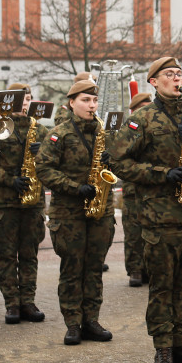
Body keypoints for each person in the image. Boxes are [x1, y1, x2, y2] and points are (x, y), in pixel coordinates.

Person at [107, 56, 182, 363]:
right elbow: (117, 161)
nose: (176, 79)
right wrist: (160, 173)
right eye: (169, 74)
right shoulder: (142, 119)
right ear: (154, 82)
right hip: (160, 215)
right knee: (162, 284)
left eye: (178, 74)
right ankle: (163, 347)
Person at [36, 79, 116, 345]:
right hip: (69, 212)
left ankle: (91, 320)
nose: (92, 105)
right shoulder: (59, 134)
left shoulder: (104, 133)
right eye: (85, 100)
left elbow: (123, 165)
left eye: (94, 101)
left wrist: (113, 162)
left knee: (94, 268)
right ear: (71, 103)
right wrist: (75, 188)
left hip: (100, 211)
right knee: (72, 268)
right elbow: (43, 169)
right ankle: (72, 323)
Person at [0, 83, 48, 325]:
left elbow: (54, 165)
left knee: (30, 255)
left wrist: (43, 154)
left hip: (32, 204)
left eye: (28, 98)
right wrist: (10, 180)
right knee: (7, 256)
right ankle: (11, 303)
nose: (24, 103)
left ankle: (28, 301)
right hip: (5, 204)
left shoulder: (40, 130)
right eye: (20, 99)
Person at [122, 92, 152, 287]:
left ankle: (149, 268)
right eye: (142, 108)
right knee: (133, 231)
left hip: (154, 187)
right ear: (133, 110)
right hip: (133, 188)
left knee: (152, 230)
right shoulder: (129, 128)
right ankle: (135, 269)